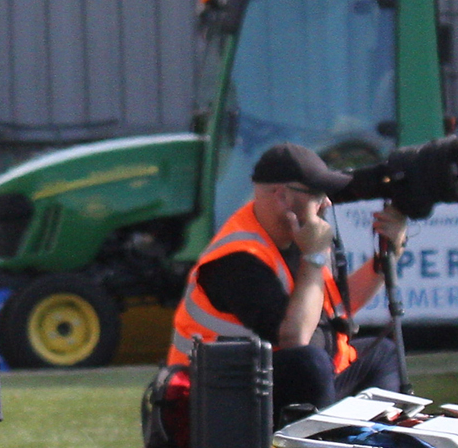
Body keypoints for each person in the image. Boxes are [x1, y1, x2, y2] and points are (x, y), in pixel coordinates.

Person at [166, 142, 407, 413]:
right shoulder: (238, 258)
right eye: (317, 193)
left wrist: (386, 257)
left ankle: (371, 436)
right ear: (281, 195)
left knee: (383, 353)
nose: (326, 201)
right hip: (218, 399)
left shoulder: (292, 238)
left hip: (266, 381)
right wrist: (315, 258)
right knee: (308, 364)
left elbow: (334, 308)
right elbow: (295, 337)